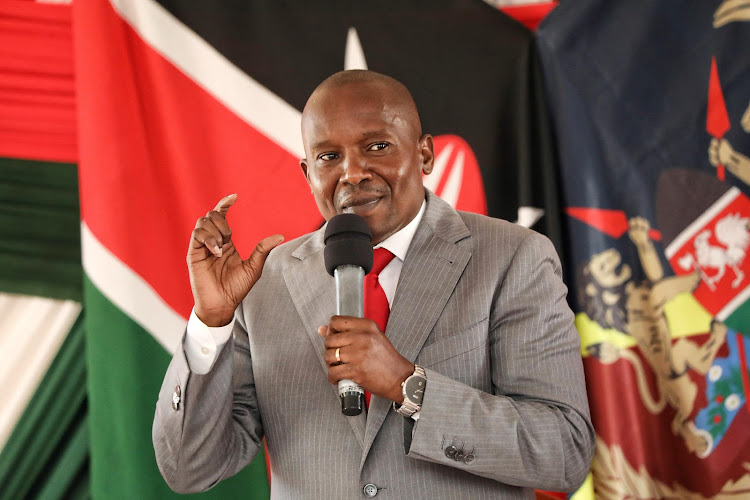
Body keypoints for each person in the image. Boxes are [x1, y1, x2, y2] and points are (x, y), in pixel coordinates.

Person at [152, 70, 595, 498]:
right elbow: (191, 469)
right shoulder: (265, 280)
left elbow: (563, 450)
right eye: (329, 157)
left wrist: (408, 385)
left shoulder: (512, 258)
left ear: (424, 155)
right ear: (307, 173)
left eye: (377, 146)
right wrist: (211, 322)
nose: (352, 172)